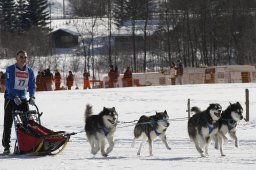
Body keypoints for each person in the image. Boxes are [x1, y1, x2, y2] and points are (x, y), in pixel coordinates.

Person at [2, 50, 36, 154]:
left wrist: (32, 96)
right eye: (21, 57)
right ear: (16, 58)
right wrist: (14, 96)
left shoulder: (29, 71)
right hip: (11, 99)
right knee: (8, 123)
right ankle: (6, 147)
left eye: (25, 57)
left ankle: (26, 144)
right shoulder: (11, 69)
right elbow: (9, 84)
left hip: (23, 99)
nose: (23, 59)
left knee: (26, 123)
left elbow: (31, 85)